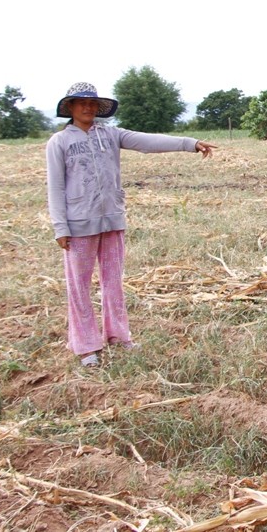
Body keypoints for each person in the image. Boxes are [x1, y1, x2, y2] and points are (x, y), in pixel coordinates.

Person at [46, 82, 217, 368]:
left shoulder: (110, 134)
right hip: (78, 225)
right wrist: (59, 227)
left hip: (112, 219)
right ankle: (87, 345)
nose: (87, 108)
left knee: (113, 282)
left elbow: (147, 142)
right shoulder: (59, 142)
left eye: (92, 104)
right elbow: (55, 187)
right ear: (71, 108)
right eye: (81, 103)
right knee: (79, 286)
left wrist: (189, 143)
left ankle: (118, 335)